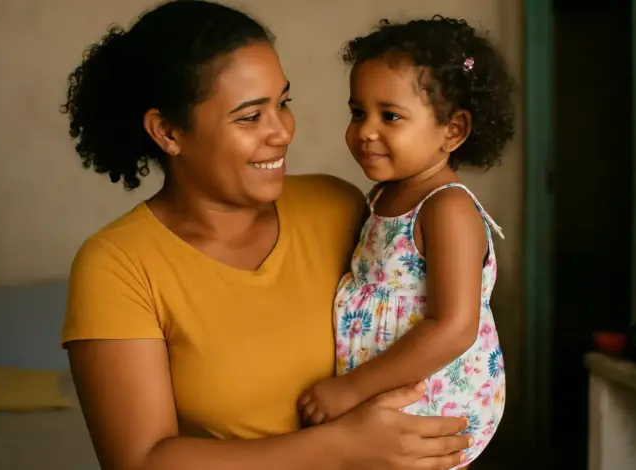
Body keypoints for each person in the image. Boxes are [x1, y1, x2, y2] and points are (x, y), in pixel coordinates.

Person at [59, 1, 472, 469]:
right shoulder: (117, 265)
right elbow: (141, 461)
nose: (282, 132)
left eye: (283, 103)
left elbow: (435, 337)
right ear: (168, 131)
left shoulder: (340, 208)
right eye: (249, 117)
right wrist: (342, 446)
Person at [296, 16, 516, 468]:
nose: (365, 131)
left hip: (431, 400)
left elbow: (453, 327)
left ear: (453, 130)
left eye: (390, 116)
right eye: (358, 112)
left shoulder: (446, 208)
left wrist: (351, 388)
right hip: (383, 388)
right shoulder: (384, 194)